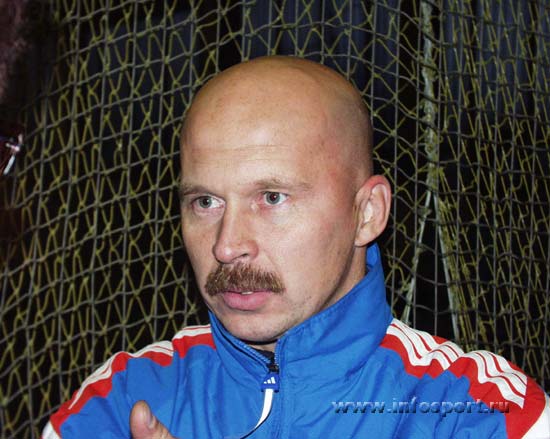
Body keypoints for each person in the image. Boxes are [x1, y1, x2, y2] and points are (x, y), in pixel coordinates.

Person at [42, 56, 550, 439]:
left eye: (272, 197)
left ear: (367, 213)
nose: (227, 246)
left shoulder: (479, 411)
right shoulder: (121, 400)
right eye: (205, 202)